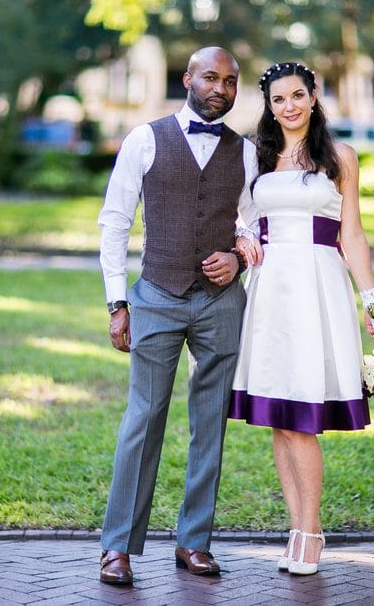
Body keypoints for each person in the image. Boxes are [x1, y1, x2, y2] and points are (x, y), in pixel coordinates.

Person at [97, 46, 260, 585]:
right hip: (156, 297)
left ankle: (195, 541)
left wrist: (237, 258)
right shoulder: (145, 140)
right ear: (188, 79)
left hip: (220, 305)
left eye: (231, 82)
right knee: (142, 419)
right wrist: (117, 302)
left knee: (210, 422)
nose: (221, 88)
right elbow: (115, 222)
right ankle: (116, 547)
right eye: (210, 78)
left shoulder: (246, 153)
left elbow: (253, 227)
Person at [229, 61, 374, 576]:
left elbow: (354, 237)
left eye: (297, 95)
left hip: (316, 288)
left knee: (302, 417)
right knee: (279, 418)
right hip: (269, 290)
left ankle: (311, 532)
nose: (290, 107)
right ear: (269, 106)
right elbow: (241, 219)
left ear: (314, 94)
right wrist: (243, 237)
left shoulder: (340, 156)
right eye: (279, 100)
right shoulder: (256, 157)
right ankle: (297, 527)